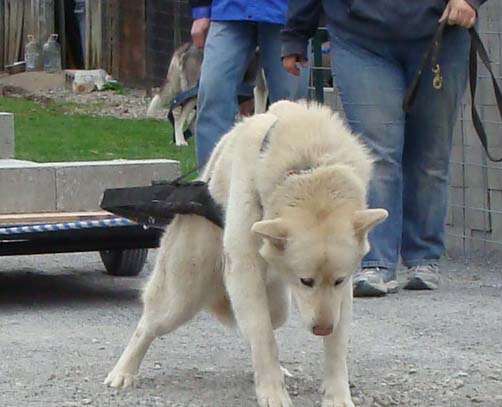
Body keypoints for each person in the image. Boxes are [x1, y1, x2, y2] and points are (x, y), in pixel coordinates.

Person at [281, 0, 483, 297]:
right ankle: (376, 261)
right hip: (359, 37)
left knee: (430, 154)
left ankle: (423, 257)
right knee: (377, 155)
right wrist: (295, 33)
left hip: (442, 30)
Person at [190, 0, 309, 169]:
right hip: (228, 11)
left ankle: (290, 185)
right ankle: (210, 184)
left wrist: (305, 17)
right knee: (212, 94)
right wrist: (200, 10)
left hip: (287, 16)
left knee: (292, 109)